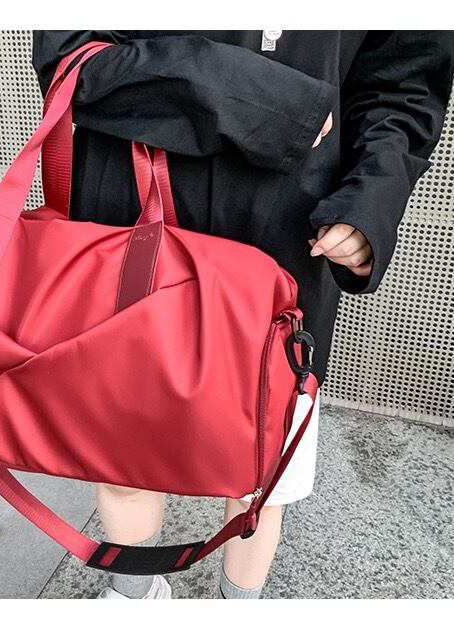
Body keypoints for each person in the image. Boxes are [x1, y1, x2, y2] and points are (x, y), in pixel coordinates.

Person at [31, 30, 454, 599]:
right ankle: (133, 597)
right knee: (121, 452)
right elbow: (70, 54)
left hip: (287, 224)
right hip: (131, 197)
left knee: (261, 469)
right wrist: (267, 101)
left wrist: (371, 197)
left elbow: (402, 82)